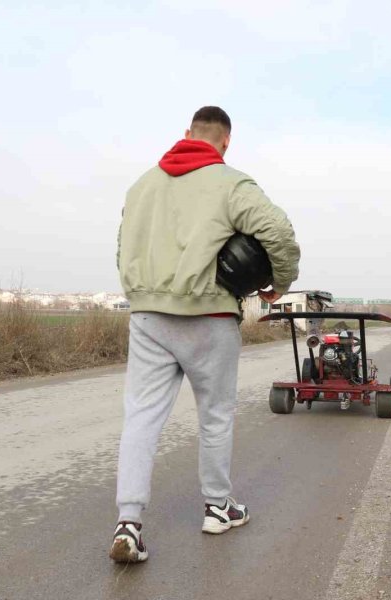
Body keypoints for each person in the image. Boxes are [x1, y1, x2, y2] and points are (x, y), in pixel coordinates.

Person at [110, 106, 300, 563]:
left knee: (141, 417)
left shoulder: (141, 186)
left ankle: (128, 523)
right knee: (214, 415)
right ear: (226, 142)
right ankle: (218, 508)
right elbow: (279, 231)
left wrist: (142, 293)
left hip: (149, 317)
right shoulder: (231, 184)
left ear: (186, 134)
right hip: (209, 317)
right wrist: (282, 283)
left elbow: (122, 247)